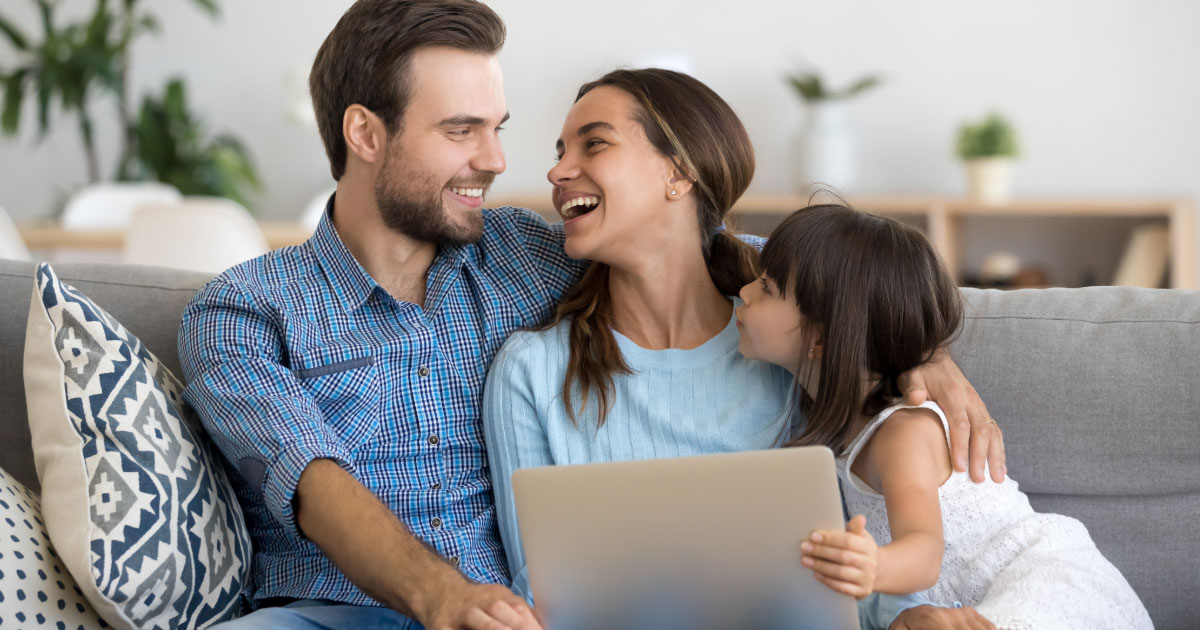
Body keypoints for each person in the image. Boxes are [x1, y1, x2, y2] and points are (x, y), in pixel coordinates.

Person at [482, 68, 1004, 630]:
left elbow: (860, 549)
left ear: (679, 172)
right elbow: (542, 590)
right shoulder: (531, 373)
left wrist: (908, 619)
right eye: (561, 150)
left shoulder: (784, 348)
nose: (558, 171)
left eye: (595, 143)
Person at [736, 204, 1152, 629]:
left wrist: (872, 566)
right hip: (968, 607)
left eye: (766, 287)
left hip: (1050, 583)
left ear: (821, 337)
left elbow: (925, 552)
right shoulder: (835, 423)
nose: (744, 292)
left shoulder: (904, 432)